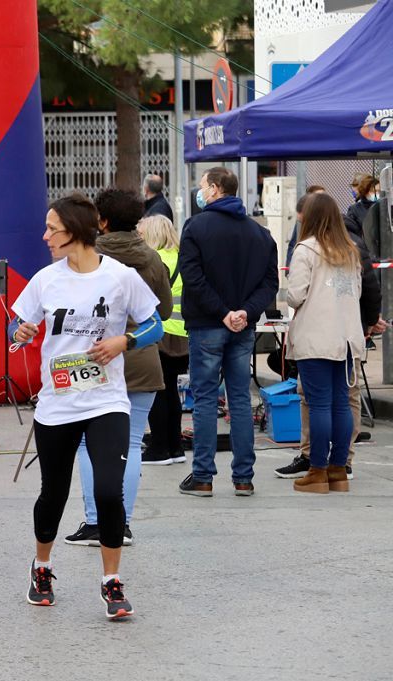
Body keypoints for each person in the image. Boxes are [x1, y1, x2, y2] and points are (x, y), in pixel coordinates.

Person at [11, 193, 162, 618]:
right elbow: (18, 320)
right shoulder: (46, 280)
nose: (45, 236)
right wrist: (20, 330)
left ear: (75, 232)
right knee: (54, 494)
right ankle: (42, 567)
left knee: (108, 491)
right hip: (57, 404)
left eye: (51, 229)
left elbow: (154, 323)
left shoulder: (119, 277)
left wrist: (123, 341)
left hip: (106, 400)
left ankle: (111, 582)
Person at [63, 189, 172, 548]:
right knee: (132, 443)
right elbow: (164, 313)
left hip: (95, 358)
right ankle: (121, 522)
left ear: (102, 221)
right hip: (141, 358)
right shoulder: (153, 259)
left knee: (86, 444)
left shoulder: (90, 257)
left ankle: (96, 521)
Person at [177, 167, 278, 497]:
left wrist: (222, 313)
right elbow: (269, 284)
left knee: (205, 398)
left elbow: (192, 278)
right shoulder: (260, 234)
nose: (200, 191)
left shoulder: (196, 227)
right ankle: (243, 477)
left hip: (208, 324)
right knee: (240, 400)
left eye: (204, 186)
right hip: (242, 326)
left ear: (216, 189)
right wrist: (244, 313)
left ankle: (203, 475)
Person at [286, 192, 365, 493]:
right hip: (346, 338)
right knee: (341, 404)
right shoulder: (350, 250)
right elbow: (354, 293)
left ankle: (317, 470)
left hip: (316, 337)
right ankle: (338, 470)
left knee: (318, 404)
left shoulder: (305, 250)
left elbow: (296, 295)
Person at [137, 214, 189, 465]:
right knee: (171, 393)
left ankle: (159, 448)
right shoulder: (182, 257)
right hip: (183, 335)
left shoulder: (155, 261)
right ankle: (175, 447)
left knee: (158, 392)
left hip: (160, 334)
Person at [285, 185, 326, 267]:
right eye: (318, 197)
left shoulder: (329, 220)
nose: (323, 200)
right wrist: (289, 265)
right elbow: (293, 244)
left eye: (324, 197)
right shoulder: (302, 222)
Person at [345, 174, 379, 243]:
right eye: (375, 191)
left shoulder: (384, 206)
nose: (378, 194)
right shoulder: (354, 209)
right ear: (366, 191)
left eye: (379, 191)